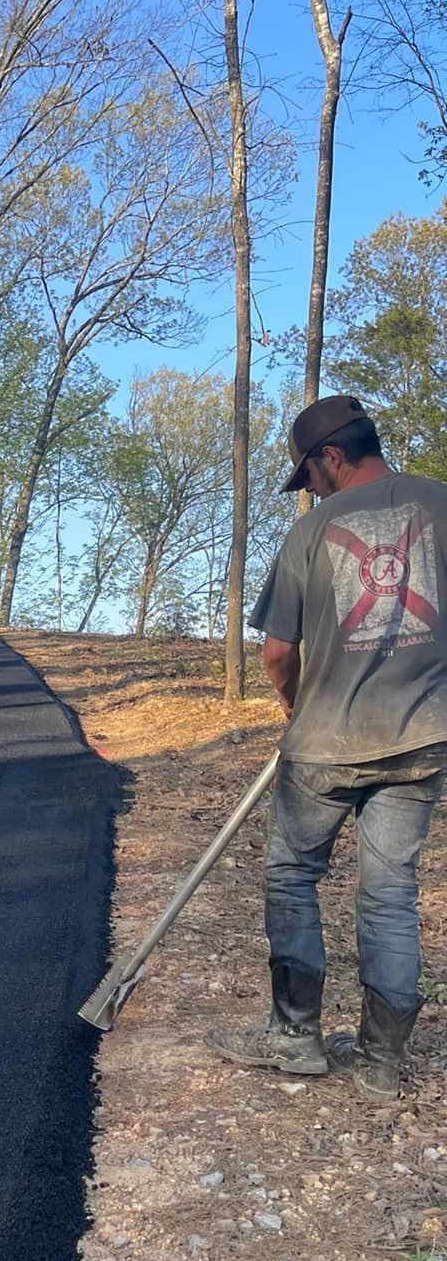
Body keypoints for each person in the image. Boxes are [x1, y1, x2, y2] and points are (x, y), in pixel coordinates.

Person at [206, 394, 447, 1100]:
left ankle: (295, 1038)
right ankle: (378, 1065)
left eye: (308, 475)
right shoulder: (442, 504)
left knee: (291, 877)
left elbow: (280, 653)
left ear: (332, 457)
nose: (307, 489)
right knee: (390, 894)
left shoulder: (313, 535)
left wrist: (292, 704)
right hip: (424, 737)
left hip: (326, 744)